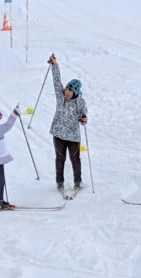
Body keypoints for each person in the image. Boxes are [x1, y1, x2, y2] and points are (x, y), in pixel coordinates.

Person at [48, 54, 88, 191]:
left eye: (70, 91)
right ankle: (59, 182)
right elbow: (56, 80)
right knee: (60, 159)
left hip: (73, 136)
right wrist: (55, 64)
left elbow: (83, 118)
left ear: (75, 92)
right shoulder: (60, 96)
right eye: (67, 89)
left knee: (75, 159)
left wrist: (84, 119)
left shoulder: (80, 103)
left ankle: (78, 182)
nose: (67, 92)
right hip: (58, 134)